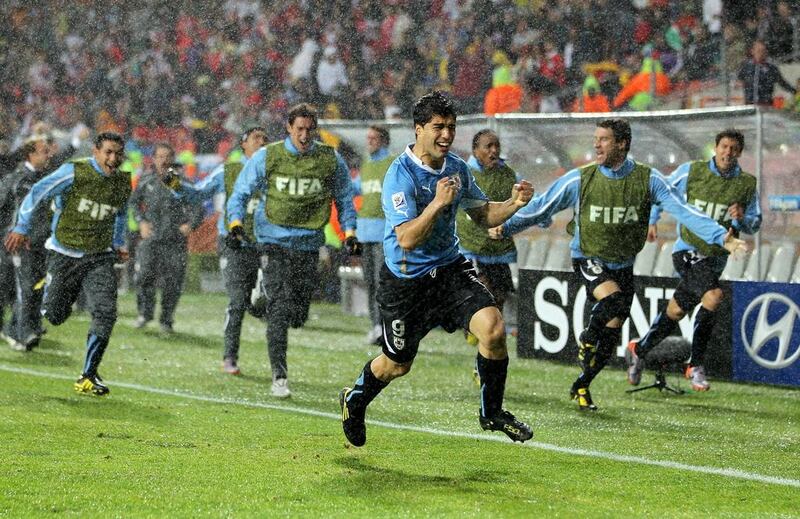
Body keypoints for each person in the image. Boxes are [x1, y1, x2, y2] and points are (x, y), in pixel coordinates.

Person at [495, 119, 746, 411]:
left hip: (623, 265)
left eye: (603, 139)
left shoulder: (648, 179)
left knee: (612, 335)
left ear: (622, 144)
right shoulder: (580, 179)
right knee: (612, 301)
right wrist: (506, 225)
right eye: (596, 139)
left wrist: (721, 237)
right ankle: (587, 337)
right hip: (588, 256)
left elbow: (684, 211)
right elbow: (543, 206)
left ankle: (582, 384)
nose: (596, 144)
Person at [338, 91, 535, 447]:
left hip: (449, 270)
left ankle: (492, 413)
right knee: (396, 365)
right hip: (406, 283)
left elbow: (483, 214)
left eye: (451, 127)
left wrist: (514, 204)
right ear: (418, 130)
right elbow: (407, 239)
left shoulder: (457, 168)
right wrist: (437, 205)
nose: (446, 135)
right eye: (438, 127)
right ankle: (355, 399)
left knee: (493, 329)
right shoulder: (400, 175)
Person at [226, 103, 358, 398]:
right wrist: (235, 223)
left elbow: (345, 197)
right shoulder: (268, 156)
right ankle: (279, 376)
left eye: (310, 130)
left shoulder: (329, 159)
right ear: (288, 127)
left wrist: (349, 231)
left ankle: (262, 299)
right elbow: (241, 192)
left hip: (309, 243)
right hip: (274, 241)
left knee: (298, 314)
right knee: (280, 310)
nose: (304, 135)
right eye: (299, 129)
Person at [626, 129, 760, 392]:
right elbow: (661, 190)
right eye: (723, 147)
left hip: (715, 259)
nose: (727, 152)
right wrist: (652, 221)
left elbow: (755, 224)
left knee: (676, 311)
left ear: (740, 153)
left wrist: (742, 217)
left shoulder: (747, 183)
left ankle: (639, 349)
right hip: (687, 249)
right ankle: (695, 364)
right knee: (713, 296)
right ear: (715, 148)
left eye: (733, 148)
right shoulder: (692, 171)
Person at [4, 132, 130, 396]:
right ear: (95, 151)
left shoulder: (121, 182)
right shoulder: (74, 171)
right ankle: (46, 293)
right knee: (56, 315)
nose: (113, 159)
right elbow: (38, 192)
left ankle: (88, 374)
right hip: (64, 254)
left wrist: (119, 243)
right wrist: (21, 226)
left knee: (106, 312)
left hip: (99, 256)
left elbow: (119, 214)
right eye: (108, 152)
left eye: (118, 153)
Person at [165, 126, 268, 375]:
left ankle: (256, 306)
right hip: (233, 244)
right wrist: (177, 185)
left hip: (263, 244)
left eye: (266, 139)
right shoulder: (229, 170)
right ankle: (229, 357)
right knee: (236, 300)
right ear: (243, 144)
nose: (262, 143)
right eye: (256, 138)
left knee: (260, 301)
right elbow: (199, 193)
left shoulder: (274, 173)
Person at [457, 129, 520, 346]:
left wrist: (540, 217)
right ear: (475, 151)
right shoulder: (463, 173)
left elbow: (522, 200)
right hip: (471, 247)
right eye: (488, 146)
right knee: (484, 292)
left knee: (498, 300)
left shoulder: (509, 174)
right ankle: (472, 324)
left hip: (500, 250)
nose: (494, 150)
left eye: (496, 146)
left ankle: (486, 346)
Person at [129, 143, 198, 334]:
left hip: (175, 240)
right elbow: (134, 203)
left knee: (173, 282)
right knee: (143, 276)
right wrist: (141, 221)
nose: (163, 160)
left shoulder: (182, 182)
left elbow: (198, 205)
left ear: (172, 159)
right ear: (153, 159)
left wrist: (190, 224)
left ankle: (166, 320)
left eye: (167, 156)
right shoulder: (146, 180)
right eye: (160, 156)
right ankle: (145, 313)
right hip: (151, 238)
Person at [2, 136, 54, 349]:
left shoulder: (41, 178)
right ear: (31, 154)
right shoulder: (21, 178)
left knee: (36, 286)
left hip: (39, 242)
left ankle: (21, 327)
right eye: (44, 151)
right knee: (24, 287)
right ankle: (21, 333)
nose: (48, 155)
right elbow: (16, 211)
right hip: (22, 243)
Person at [355, 125, 394, 344]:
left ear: (384, 141)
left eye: (373, 138)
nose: (368, 142)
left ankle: (385, 327)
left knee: (382, 283)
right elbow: (359, 187)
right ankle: (376, 326)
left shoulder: (391, 164)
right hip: (365, 232)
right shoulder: (366, 164)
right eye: (367, 138)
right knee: (370, 281)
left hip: (384, 233)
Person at [737, 40, 796, 106]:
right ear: (752, 51)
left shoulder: (771, 68)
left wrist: (795, 91)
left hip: (766, 104)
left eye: (763, 51)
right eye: (758, 51)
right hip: (749, 104)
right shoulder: (746, 66)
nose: (761, 53)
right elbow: (739, 81)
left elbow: (782, 83)